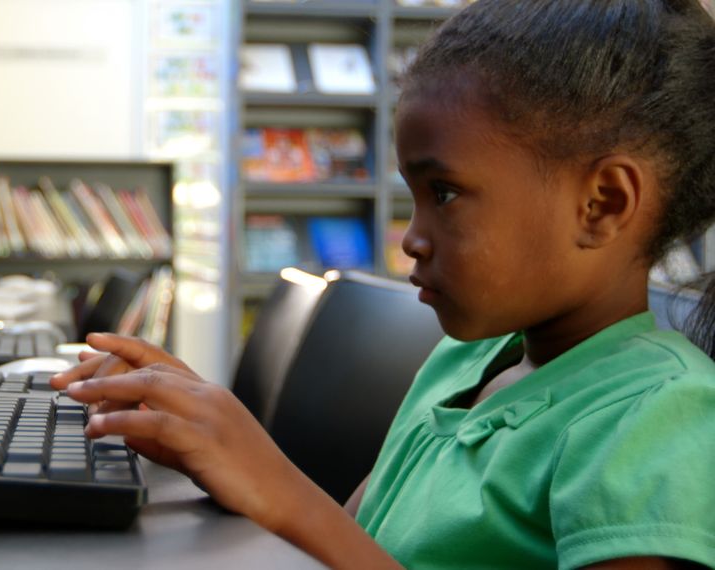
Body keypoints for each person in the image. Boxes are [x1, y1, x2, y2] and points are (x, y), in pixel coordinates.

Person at [51, 1, 715, 568]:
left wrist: (276, 485)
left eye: (445, 193)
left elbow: (326, 531)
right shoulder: (467, 359)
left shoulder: (659, 416)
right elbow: (353, 541)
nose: (411, 239)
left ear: (602, 203)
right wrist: (212, 444)